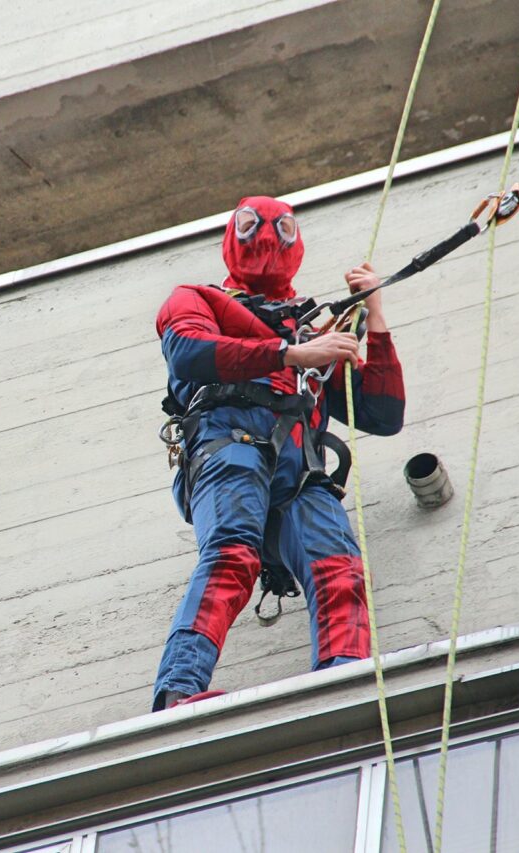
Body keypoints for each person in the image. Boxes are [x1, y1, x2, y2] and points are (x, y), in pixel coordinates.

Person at [152, 196, 406, 711]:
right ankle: (178, 689)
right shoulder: (196, 298)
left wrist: (374, 319)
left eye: (280, 230)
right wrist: (291, 353)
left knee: (339, 567)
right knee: (231, 555)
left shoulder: (310, 330)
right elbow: (190, 350)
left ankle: (344, 677)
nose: (265, 239)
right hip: (230, 441)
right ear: (231, 237)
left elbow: (381, 413)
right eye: (250, 227)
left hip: (301, 466)